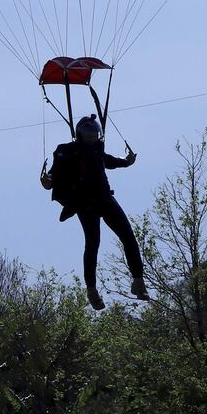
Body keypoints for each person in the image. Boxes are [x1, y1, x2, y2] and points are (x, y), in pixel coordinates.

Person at [41, 114, 150, 310]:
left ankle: (138, 282)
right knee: (93, 244)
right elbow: (54, 174)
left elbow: (110, 161)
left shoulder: (98, 152)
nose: (92, 138)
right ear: (81, 134)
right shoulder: (67, 152)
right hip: (85, 204)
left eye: (94, 134)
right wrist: (47, 180)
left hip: (105, 199)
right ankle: (92, 290)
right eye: (88, 134)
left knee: (128, 236)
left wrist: (127, 162)